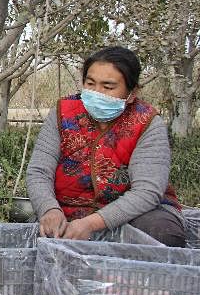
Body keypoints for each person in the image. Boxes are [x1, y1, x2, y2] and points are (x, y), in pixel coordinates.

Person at [27, 46, 185, 247]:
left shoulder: (147, 122)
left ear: (132, 93)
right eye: (90, 84)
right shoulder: (63, 112)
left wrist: (91, 223)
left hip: (135, 213)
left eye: (108, 87)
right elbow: (39, 171)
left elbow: (147, 191)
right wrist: (49, 209)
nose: (97, 93)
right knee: (43, 237)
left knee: (162, 233)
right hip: (67, 208)